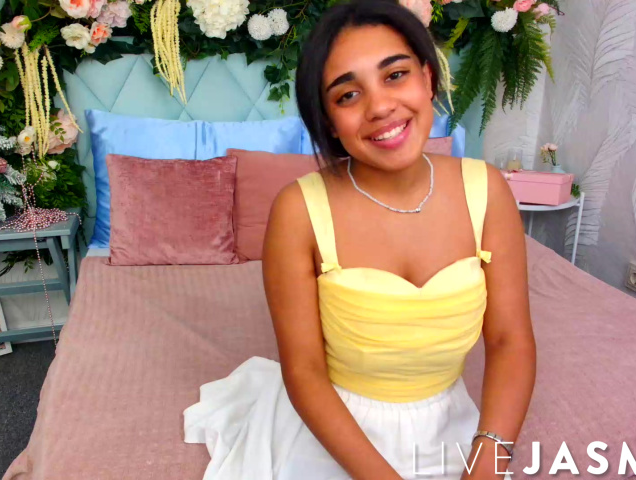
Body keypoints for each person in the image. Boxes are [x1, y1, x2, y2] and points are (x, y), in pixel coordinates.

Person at [183, 0, 536, 478]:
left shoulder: (488, 189)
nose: (381, 107)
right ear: (329, 121)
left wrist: (489, 461)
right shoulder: (297, 210)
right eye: (348, 95)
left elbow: (511, 340)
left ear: (428, 78)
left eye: (396, 75)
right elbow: (304, 371)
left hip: (451, 426)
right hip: (333, 430)